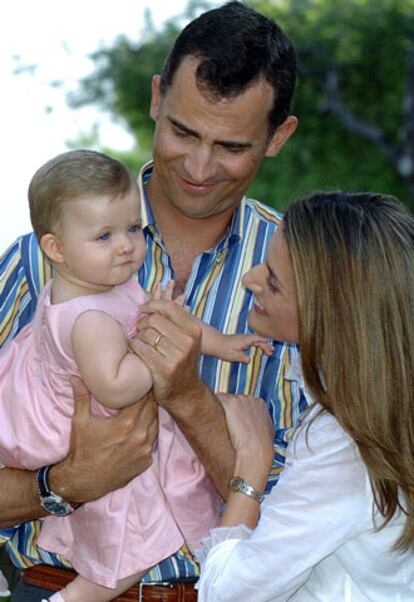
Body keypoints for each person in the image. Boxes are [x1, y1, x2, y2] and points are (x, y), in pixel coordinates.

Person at [0, 2, 303, 600]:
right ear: (157, 97)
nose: (198, 166)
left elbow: (308, 521)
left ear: (278, 138)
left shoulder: (303, 282)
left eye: (231, 146)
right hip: (45, 585)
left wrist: (189, 398)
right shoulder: (35, 262)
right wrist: (62, 483)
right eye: (184, 131)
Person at [0, 149, 272, 602]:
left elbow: (161, 318)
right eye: (104, 236)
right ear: (56, 248)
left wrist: (219, 342)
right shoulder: (88, 318)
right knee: (128, 544)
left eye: (132, 229)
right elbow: (115, 385)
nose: (126, 245)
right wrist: (159, 356)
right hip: (103, 442)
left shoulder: (108, 283)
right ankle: (73, 598)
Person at [192, 191, 414, 601]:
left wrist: (252, 463)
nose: (250, 278)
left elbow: (228, 593)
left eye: (273, 282)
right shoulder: (378, 409)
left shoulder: (344, 443)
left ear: (328, 312)